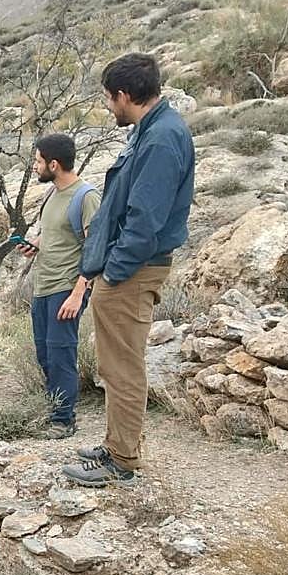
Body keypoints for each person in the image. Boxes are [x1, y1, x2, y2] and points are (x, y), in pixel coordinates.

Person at [61, 52, 195, 488]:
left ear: (123, 95)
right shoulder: (152, 130)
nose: (108, 106)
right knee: (115, 364)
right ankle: (118, 444)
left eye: (108, 98)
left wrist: (114, 271)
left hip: (133, 269)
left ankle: (121, 461)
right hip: (129, 267)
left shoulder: (161, 139)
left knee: (122, 367)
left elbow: (144, 221)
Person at [16, 133, 101, 440]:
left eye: (38, 161)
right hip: (43, 287)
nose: (35, 166)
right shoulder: (51, 194)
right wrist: (34, 244)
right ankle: (54, 409)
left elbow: (95, 248)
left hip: (67, 288)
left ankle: (64, 419)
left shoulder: (86, 197)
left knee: (61, 354)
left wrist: (79, 294)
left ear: (54, 164)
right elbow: (54, 233)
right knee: (45, 353)